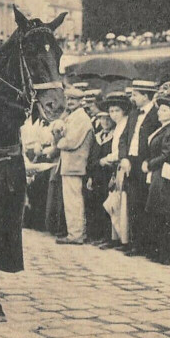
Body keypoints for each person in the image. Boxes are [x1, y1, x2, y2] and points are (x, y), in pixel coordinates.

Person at [120, 80, 161, 256]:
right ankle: (135, 242)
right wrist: (124, 158)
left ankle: (147, 244)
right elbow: (123, 138)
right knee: (133, 203)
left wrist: (150, 161)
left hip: (147, 164)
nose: (132, 98)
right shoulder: (133, 114)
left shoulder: (157, 114)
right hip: (132, 163)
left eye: (135, 94)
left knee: (146, 203)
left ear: (145, 95)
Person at [142, 88, 170, 265]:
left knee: (164, 211)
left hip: (164, 174)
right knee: (157, 211)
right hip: (157, 173)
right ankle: (157, 250)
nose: (160, 112)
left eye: (165, 110)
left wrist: (149, 163)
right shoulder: (162, 129)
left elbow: (167, 153)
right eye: (160, 109)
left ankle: (165, 253)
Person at [54, 87, 94, 245]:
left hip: (75, 164)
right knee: (71, 200)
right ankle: (75, 232)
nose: (70, 102)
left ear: (80, 101)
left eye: (73, 100)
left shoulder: (81, 119)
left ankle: (76, 234)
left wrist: (59, 141)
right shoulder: (72, 117)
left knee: (74, 201)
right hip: (70, 164)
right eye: (68, 99)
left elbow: (70, 142)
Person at [97, 91, 131, 250]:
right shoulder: (118, 126)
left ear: (123, 110)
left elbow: (122, 148)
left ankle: (122, 239)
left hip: (120, 164)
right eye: (111, 111)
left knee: (120, 204)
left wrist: (108, 158)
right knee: (113, 202)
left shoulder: (126, 123)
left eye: (117, 110)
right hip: (115, 167)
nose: (114, 114)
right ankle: (114, 237)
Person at [85, 110, 114, 245]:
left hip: (107, 176)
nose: (105, 122)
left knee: (105, 205)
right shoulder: (97, 137)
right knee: (93, 204)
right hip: (96, 175)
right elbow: (91, 159)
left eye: (108, 119)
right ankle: (94, 235)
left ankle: (105, 236)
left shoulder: (114, 137)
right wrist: (90, 176)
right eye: (102, 119)